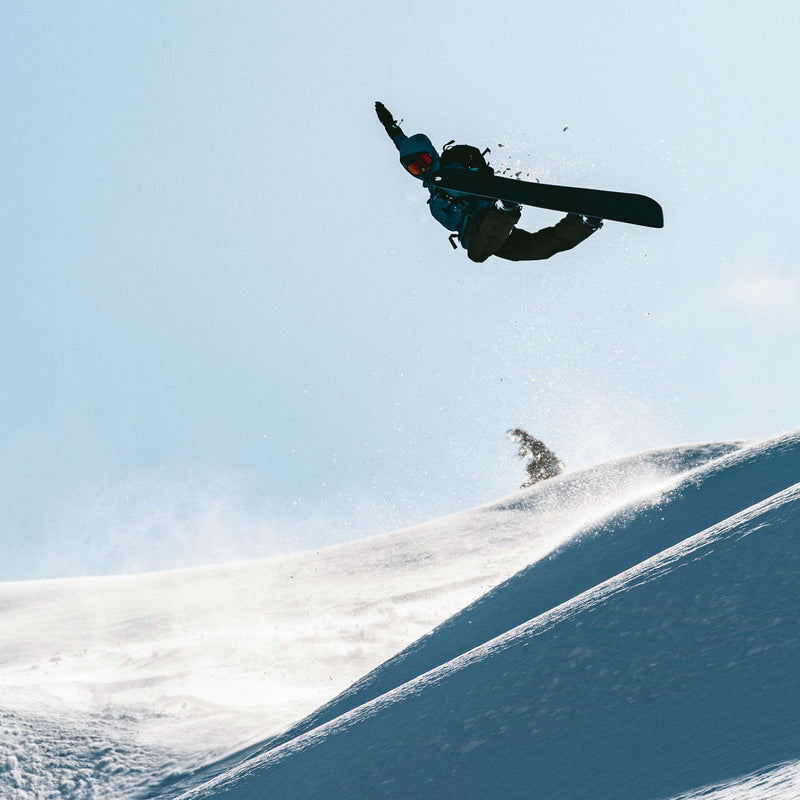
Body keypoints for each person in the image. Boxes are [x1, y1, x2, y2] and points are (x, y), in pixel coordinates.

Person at [375, 101, 602, 263]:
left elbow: (469, 170)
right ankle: (585, 222)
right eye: (415, 168)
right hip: (483, 232)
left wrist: (481, 176)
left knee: (476, 254)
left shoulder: (450, 168)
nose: (422, 169)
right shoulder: (434, 190)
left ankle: (506, 209)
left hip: (482, 222)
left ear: (431, 154)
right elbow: (401, 143)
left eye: (423, 161)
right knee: (530, 250)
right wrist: (390, 127)